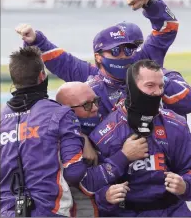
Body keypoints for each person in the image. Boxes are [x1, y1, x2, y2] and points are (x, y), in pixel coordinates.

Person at [15, 0, 191, 131]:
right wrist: (35, 40)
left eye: (129, 49)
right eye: (115, 50)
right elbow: (60, 60)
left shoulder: (146, 63)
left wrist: (150, 4)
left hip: (165, 154)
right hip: (117, 160)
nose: (124, 55)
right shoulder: (89, 78)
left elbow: (167, 28)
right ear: (98, 57)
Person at [89, 59, 191, 217]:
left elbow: (188, 169)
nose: (157, 92)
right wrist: (106, 196)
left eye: (161, 86)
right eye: (150, 86)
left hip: (173, 211)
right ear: (132, 87)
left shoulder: (177, 124)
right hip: (127, 213)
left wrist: (185, 185)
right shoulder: (105, 133)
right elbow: (91, 184)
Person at [0, 46, 88, 217]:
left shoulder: (1, 118)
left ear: (14, 80)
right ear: (42, 75)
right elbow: (74, 171)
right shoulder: (60, 114)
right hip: (51, 211)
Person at [55, 81, 149, 217]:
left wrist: (84, 138)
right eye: (86, 105)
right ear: (66, 111)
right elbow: (87, 183)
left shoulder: (102, 123)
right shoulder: (61, 144)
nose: (95, 108)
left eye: (96, 101)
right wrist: (124, 155)